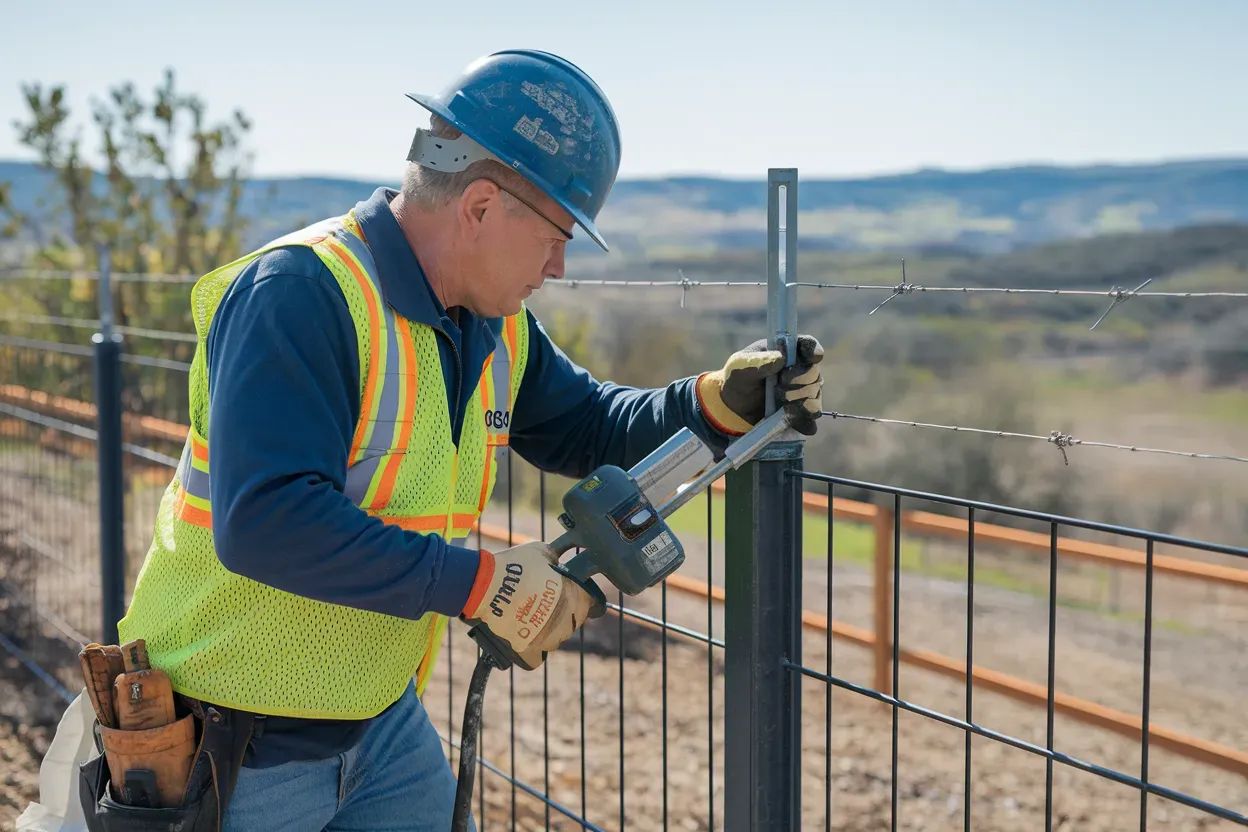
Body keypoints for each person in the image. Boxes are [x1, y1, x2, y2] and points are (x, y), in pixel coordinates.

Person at [114, 49, 825, 831]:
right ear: (481, 206)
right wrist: (480, 582)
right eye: (558, 235)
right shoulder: (301, 296)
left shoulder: (492, 326)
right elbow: (266, 523)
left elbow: (588, 424)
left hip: (378, 724)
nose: (557, 265)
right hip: (231, 742)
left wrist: (717, 403)